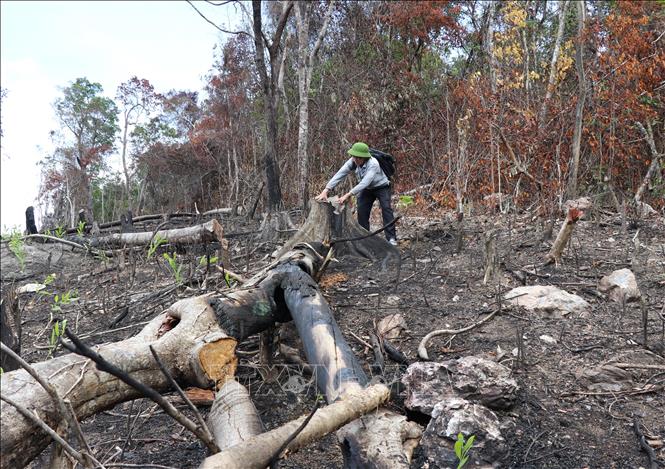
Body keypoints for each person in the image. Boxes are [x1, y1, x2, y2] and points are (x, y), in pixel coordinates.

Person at [315, 141, 397, 245]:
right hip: (367, 189)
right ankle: (365, 238)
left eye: (359, 158)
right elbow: (340, 174)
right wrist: (326, 190)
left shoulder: (373, 164)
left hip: (382, 187)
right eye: (354, 157)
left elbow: (365, 182)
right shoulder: (352, 161)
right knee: (362, 210)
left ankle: (391, 238)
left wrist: (348, 194)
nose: (356, 160)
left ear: (365, 157)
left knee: (386, 209)